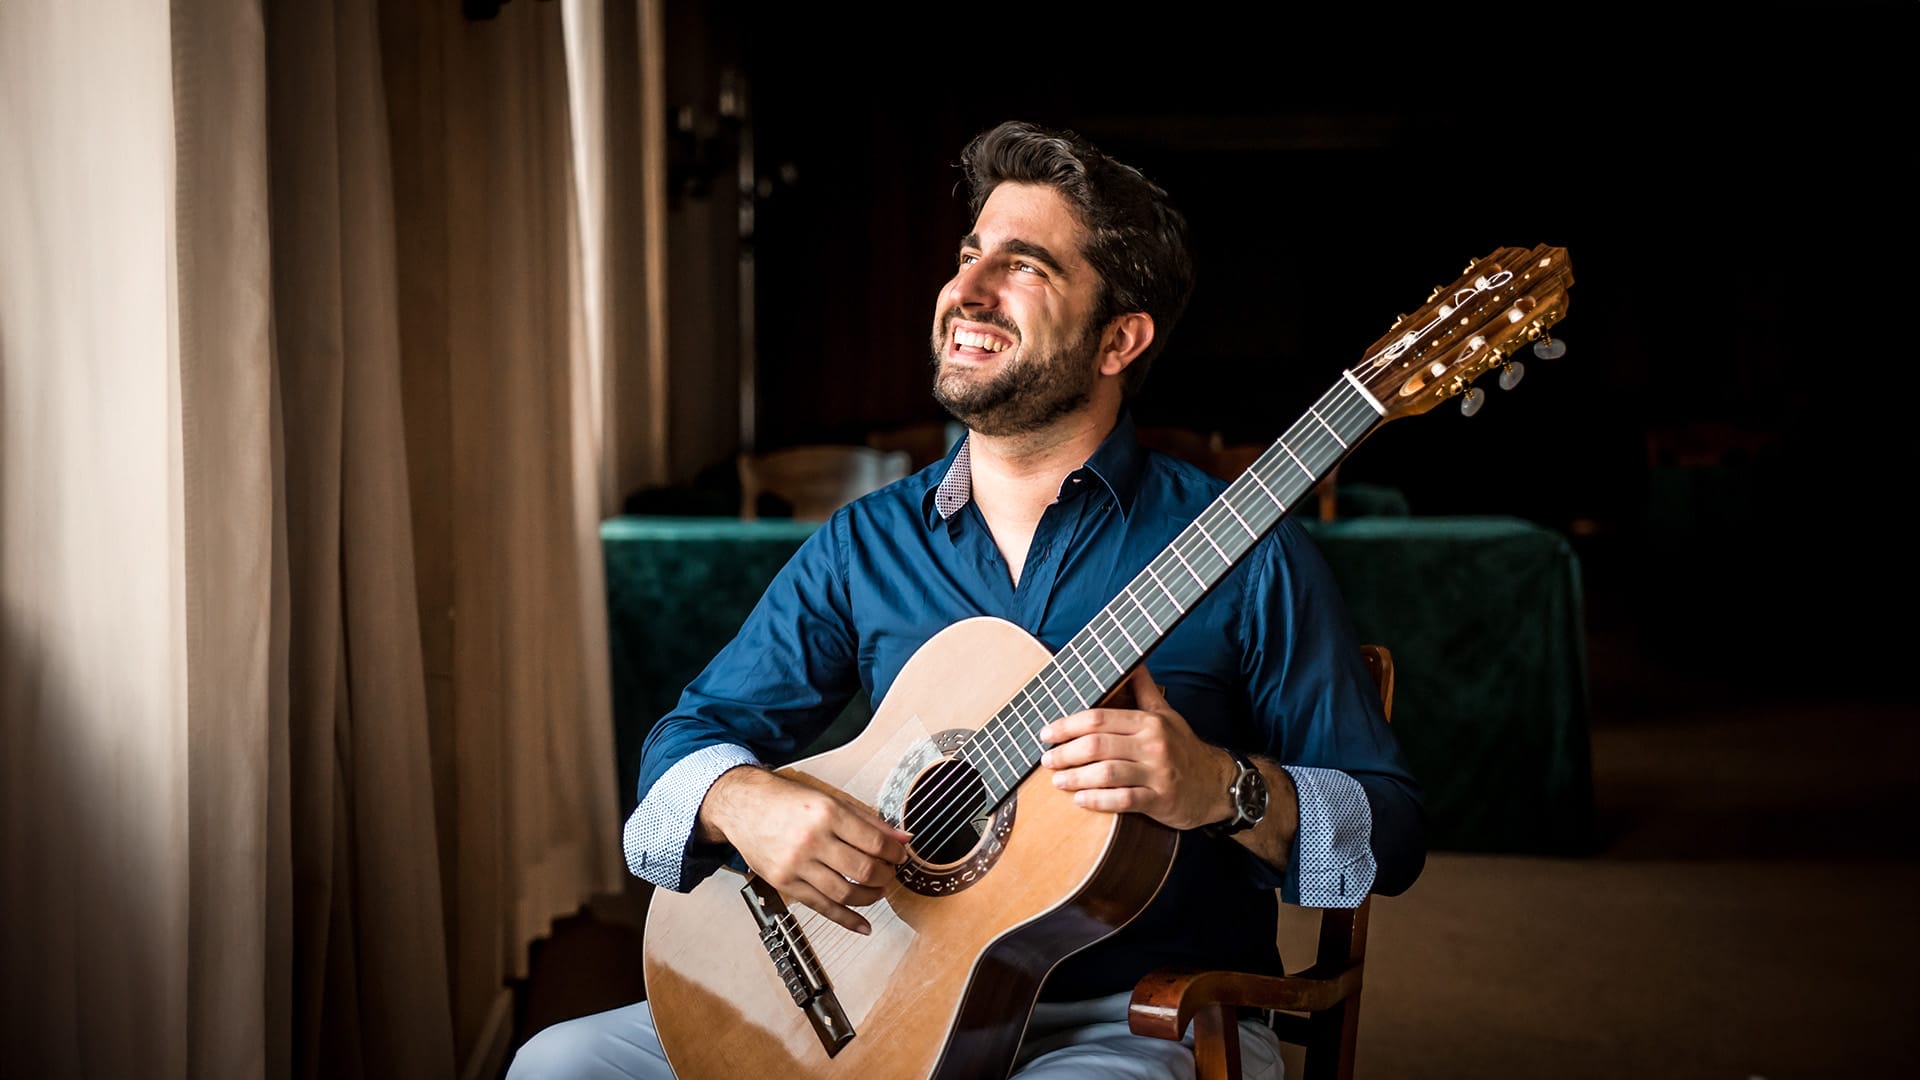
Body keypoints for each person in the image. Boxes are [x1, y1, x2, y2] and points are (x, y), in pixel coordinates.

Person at [508, 119, 1425, 1079]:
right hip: (867, 990)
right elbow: (683, 743)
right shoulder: (867, 544)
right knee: (557, 1066)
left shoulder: (1250, 549)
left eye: (1022, 266)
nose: (965, 291)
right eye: (968, 253)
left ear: (1119, 338)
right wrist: (742, 800)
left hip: (1134, 1019)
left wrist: (1224, 789)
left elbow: (1389, 831)